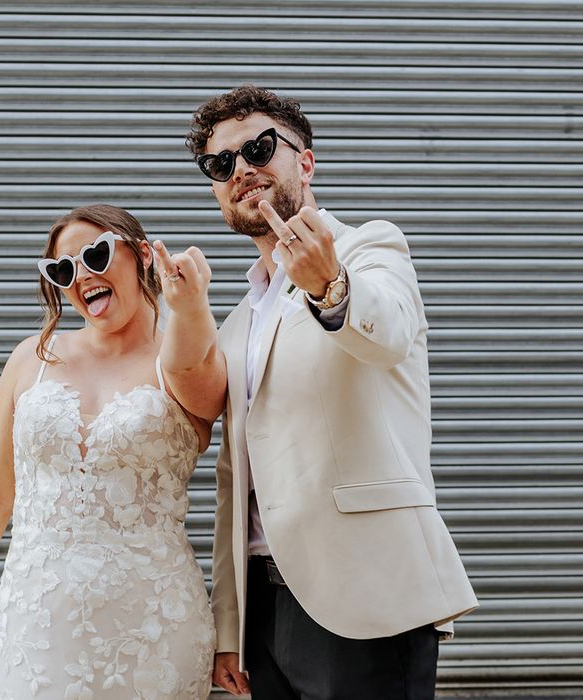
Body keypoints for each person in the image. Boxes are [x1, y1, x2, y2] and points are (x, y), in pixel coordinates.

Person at [184, 86, 479, 698]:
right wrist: (229, 624)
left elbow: (390, 332)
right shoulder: (237, 321)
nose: (241, 170)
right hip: (264, 605)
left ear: (306, 162)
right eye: (221, 164)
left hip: (364, 591)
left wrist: (330, 286)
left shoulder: (370, 249)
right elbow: (233, 482)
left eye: (259, 149)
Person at [0, 203, 225, 699]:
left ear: (141, 255)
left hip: (153, 627)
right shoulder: (31, 359)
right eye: (63, 269)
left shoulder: (179, 354)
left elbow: (208, 391)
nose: (81, 276)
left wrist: (191, 307)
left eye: (95, 255)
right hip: (37, 625)